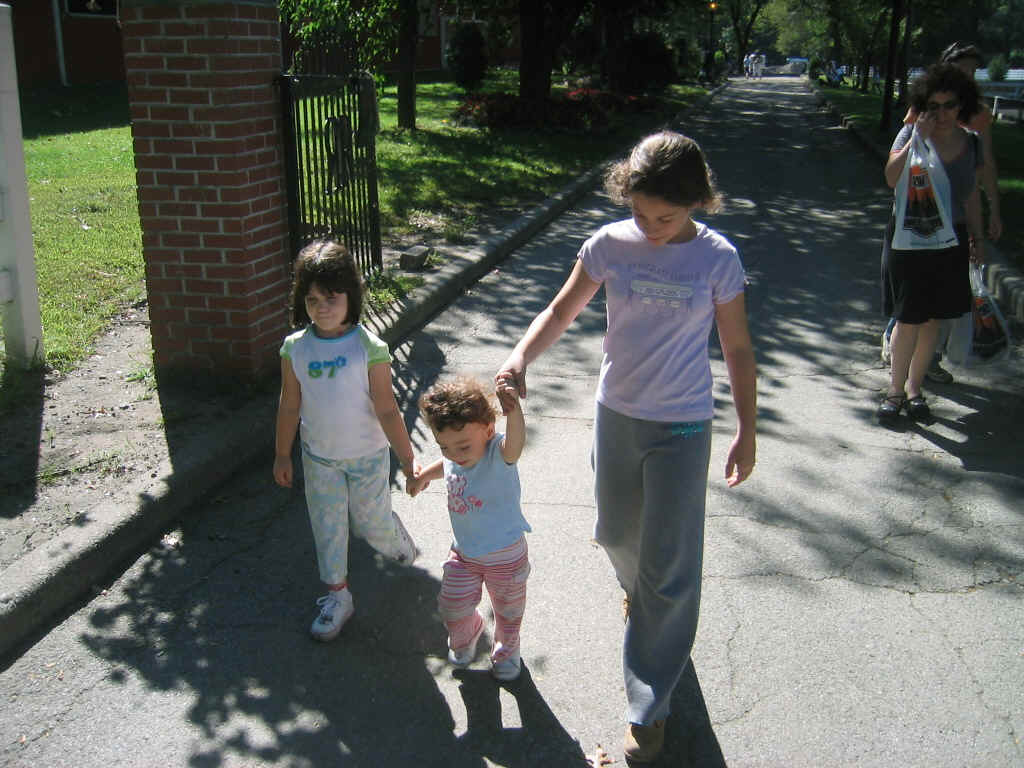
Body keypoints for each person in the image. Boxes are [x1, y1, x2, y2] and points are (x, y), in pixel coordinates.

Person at [494, 131, 757, 763]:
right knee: (615, 535)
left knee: (668, 567)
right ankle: (643, 598)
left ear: (697, 201)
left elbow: (738, 348)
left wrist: (747, 428)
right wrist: (521, 356)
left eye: (666, 217)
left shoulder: (717, 259)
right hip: (618, 415)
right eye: (641, 213)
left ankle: (649, 707)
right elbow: (560, 311)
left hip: (684, 425)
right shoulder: (610, 245)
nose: (652, 227)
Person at [273, 239, 420, 641]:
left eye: (331, 297)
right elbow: (289, 404)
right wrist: (282, 454)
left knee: (371, 526)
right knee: (328, 528)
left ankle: (392, 534)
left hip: (367, 457)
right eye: (312, 299)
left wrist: (408, 459)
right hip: (319, 458)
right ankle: (338, 597)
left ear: (350, 295)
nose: (322, 308)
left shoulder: (368, 347)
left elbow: (387, 408)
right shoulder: (295, 349)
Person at [880, 42, 1002, 383]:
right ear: (924, 106)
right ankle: (896, 385)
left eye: (949, 105)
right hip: (911, 235)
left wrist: (978, 238)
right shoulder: (912, 132)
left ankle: (916, 385)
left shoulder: (970, 142)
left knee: (934, 317)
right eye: (934, 106)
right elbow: (891, 178)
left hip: (951, 239)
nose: (942, 113)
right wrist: (916, 138)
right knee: (908, 316)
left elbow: (970, 196)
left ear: (961, 104)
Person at [409, 376, 529, 682]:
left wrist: (514, 411)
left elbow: (515, 445)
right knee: (452, 606)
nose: (454, 454)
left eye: (462, 446)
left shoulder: (498, 454)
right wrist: (424, 477)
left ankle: (506, 651)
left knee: (508, 613)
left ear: (488, 430)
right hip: (464, 553)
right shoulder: (455, 455)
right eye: (444, 446)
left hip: (505, 555)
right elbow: (446, 464)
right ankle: (468, 633)